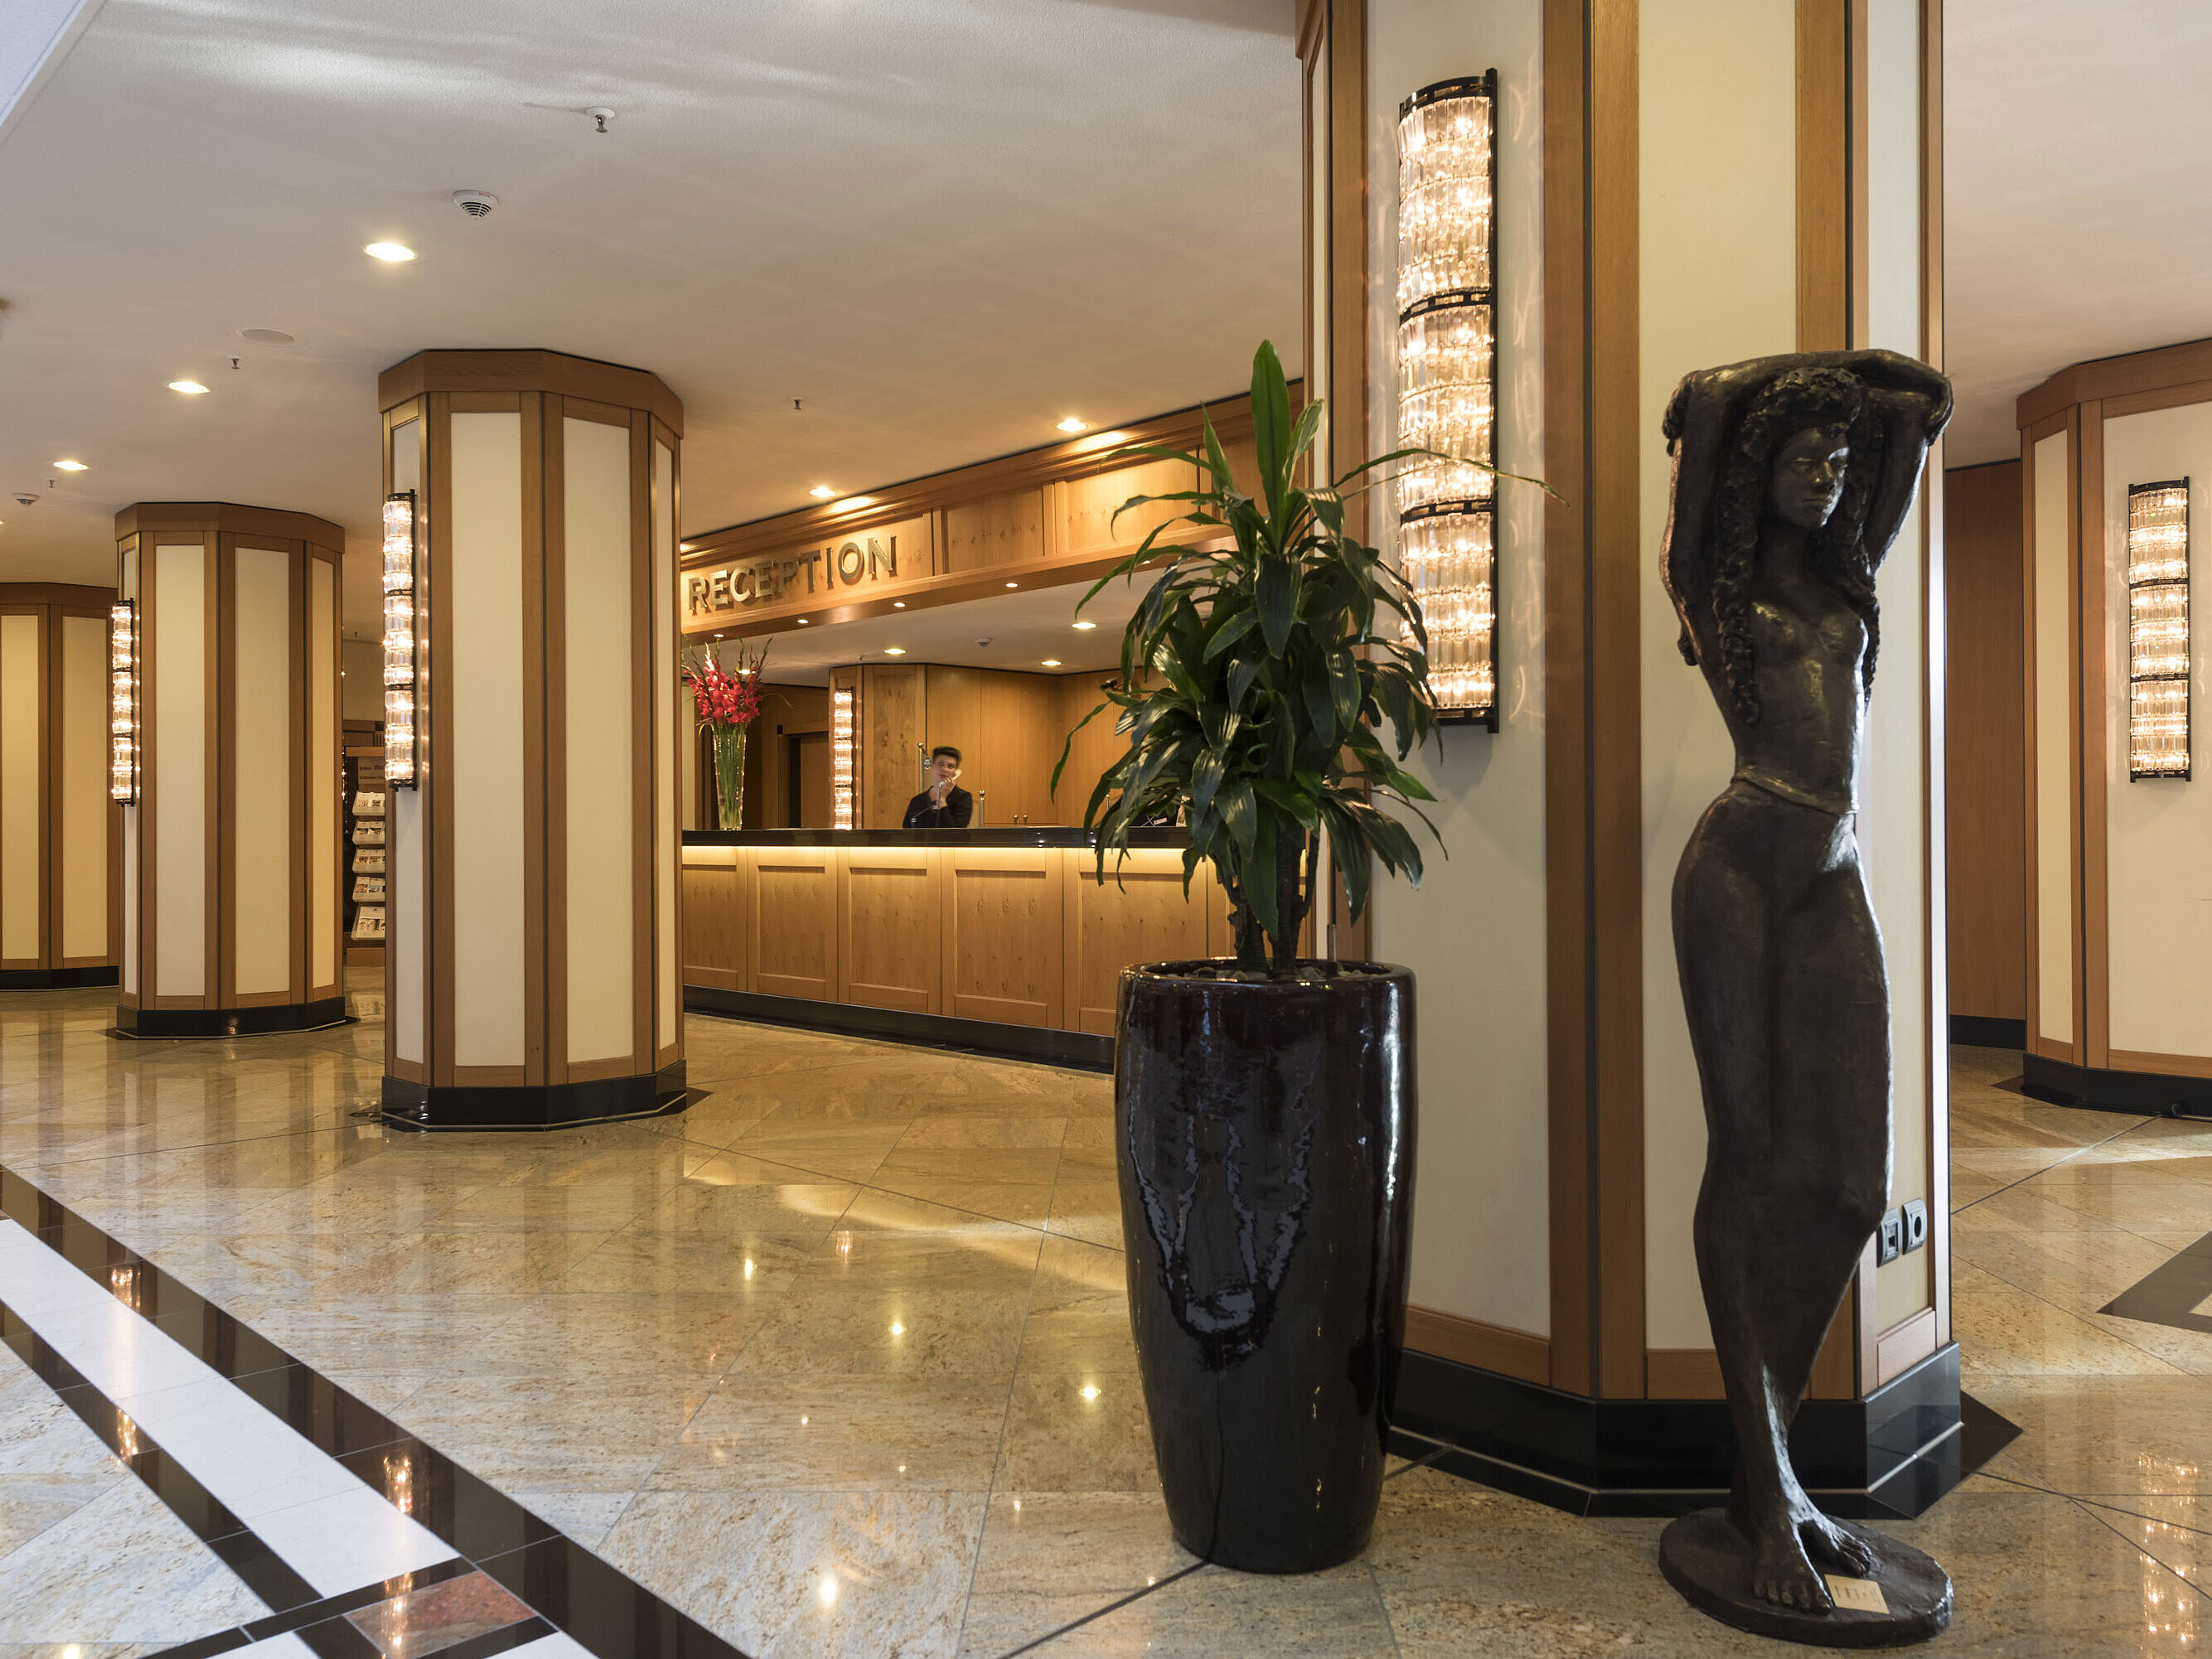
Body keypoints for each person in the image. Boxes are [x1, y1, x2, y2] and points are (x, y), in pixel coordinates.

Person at [1660, 350, 1950, 1614]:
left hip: (1831, 873)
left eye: (1838, 460)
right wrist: (1750, 400)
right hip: (1737, 865)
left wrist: (1857, 388)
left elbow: (1921, 407)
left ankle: (1763, 1466)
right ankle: (1766, 1485)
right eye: (1802, 459)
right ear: (1756, 480)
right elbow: (1711, 406)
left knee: (1841, 1181)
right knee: (1749, 1150)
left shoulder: (1850, 589)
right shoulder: (1718, 599)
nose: (1829, 479)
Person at [902, 745, 973, 829]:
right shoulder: (917, 800)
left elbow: (955, 835)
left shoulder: (963, 797)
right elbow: (906, 831)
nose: (944, 769)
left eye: (950, 766)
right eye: (940, 764)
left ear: (955, 772)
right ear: (932, 765)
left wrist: (942, 799)